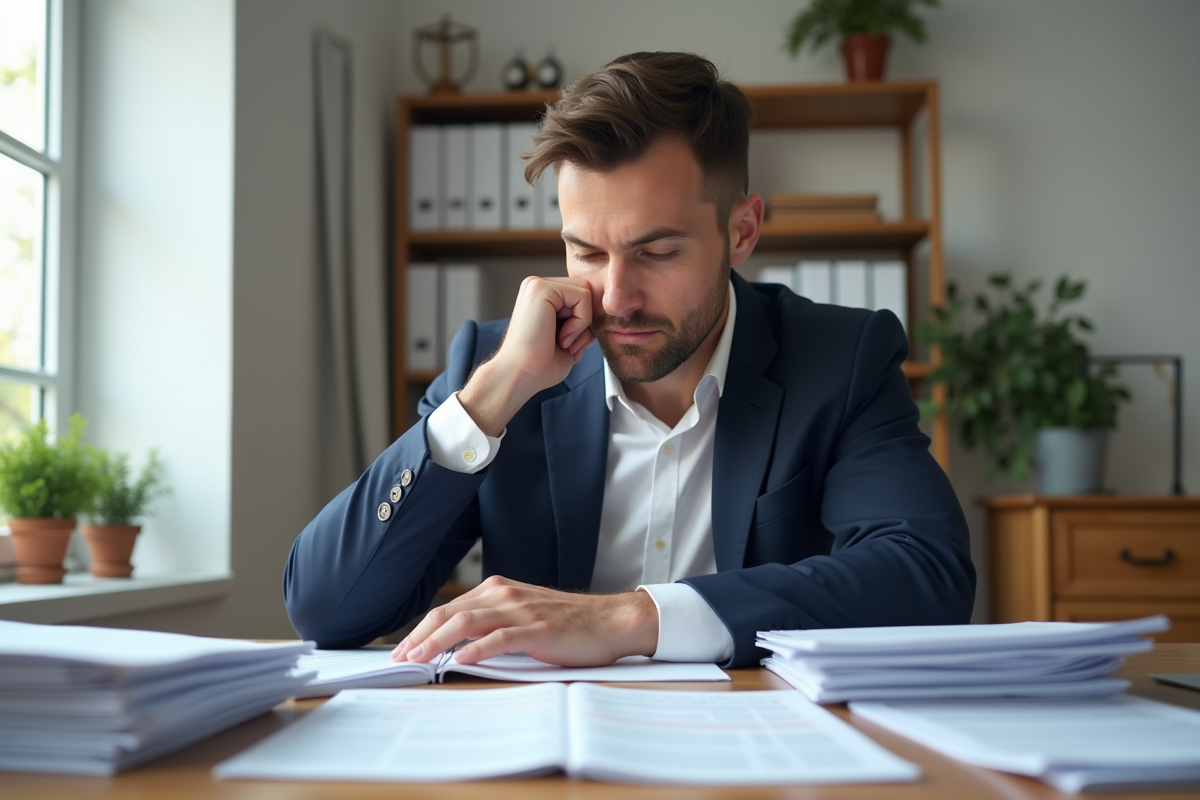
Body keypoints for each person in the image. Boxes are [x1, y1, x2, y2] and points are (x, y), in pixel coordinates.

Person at [283, 52, 975, 670]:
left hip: (757, 746)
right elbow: (325, 612)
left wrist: (629, 617)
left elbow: (927, 576)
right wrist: (491, 398)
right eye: (586, 252)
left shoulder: (841, 359)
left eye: (658, 252)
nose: (615, 297)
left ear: (742, 231)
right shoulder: (494, 367)